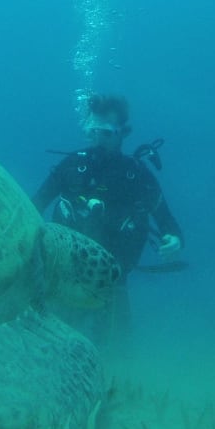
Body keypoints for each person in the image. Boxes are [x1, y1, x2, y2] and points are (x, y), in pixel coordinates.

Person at [33, 92, 184, 343]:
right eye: (92, 131)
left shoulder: (136, 175)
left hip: (113, 284)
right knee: (48, 346)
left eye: (106, 132)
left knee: (117, 361)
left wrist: (174, 239)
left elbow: (169, 223)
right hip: (62, 279)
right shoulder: (71, 167)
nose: (97, 139)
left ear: (123, 132)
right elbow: (34, 206)